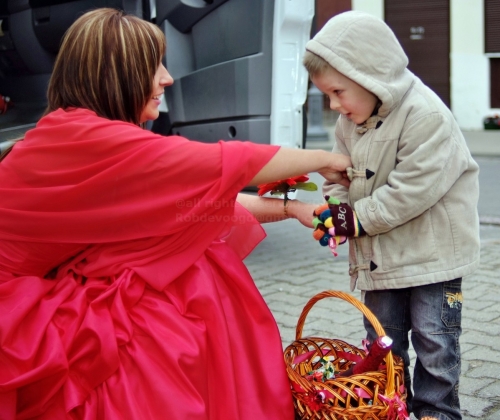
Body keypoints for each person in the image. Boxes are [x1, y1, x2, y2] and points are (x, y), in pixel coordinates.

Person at [0, 8, 351, 420]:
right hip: (16, 309)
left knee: (183, 257)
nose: (167, 78)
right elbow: (223, 164)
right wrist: (326, 159)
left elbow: (193, 204)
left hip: (30, 290)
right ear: (119, 75)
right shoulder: (97, 141)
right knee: (181, 285)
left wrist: (294, 210)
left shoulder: (79, 130)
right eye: (154, 67)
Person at [304, 11, 480, 420]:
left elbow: (410, 193)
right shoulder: (352, 121)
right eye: (327, 96)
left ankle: (437, 412)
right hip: (382, 257)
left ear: (370, 76)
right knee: (382, 340)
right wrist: (336, 210)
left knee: (436, 344)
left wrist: (354, 219)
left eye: (338, 92)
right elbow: (338, 174)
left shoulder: (427, 116)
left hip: (434, 259)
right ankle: (389, 407)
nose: (334, 106)